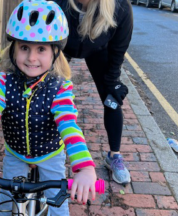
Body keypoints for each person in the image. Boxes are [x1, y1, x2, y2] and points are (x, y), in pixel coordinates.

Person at [0, 0, 97, 215]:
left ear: (56, 53)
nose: (31, 57)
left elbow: (69, 127)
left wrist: (84, 168)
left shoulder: (59, 88)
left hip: (50, 155)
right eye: (24, 47)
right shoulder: (5, 83)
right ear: (13, 49)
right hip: (16, 153)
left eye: (41, 49)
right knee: (6, 201)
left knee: (58, 204)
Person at [49, 0, 133, 185]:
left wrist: (112, 82)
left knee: (111, 98)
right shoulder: (58, 2)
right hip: (62, 48)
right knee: (45, 92)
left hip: (98, 50)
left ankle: (114, 156)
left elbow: (118, 50)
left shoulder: (121, 8)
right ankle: (40, 148)